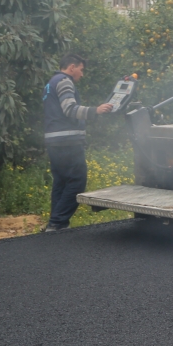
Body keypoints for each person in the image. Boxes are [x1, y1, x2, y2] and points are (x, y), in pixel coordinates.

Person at [41, 53, 113, 232]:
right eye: (81, 70)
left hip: (54, 141)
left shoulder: (51, 83)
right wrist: (95, 110)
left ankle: (55, 224)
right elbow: (70, 109)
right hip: (67, 141)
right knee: (77, 181)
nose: (82, 74)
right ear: (72, 67)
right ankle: (58, 223)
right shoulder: (65, 81)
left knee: (61, 182)